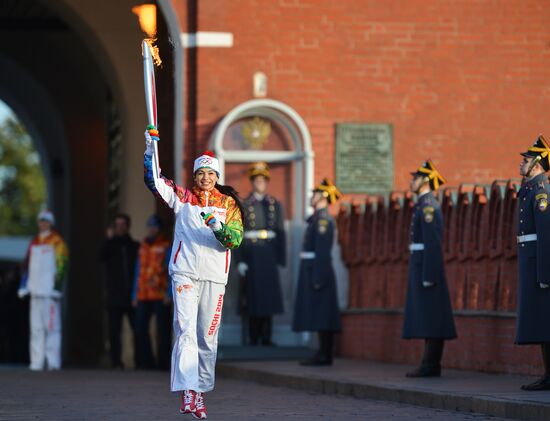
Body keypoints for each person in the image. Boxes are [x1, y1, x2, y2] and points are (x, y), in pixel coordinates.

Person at [143, 126, 243, 419]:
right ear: (195, 175)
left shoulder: (229, 205)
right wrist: (150, 150)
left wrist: (217, 227)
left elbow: (235, 239)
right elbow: (154, 181)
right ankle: (188, 391)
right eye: (201, 173)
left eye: (211, 174)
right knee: (185, 331)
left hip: (214, 277)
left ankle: (200, 391)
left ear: (217, 177)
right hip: (185, 273)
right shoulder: (183, 197)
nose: (206, 178)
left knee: (207, 337)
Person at [402, 160, 457, 377]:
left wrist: (429, 273)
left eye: (415, 178)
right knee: (426, 316)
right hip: (421, 264)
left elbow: (432, 242)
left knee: (432, 316)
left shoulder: (428, 207)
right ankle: (428, 362)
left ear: (425, 181)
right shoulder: (422, 205)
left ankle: (431, 363)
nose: (411, 182)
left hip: (427, 267)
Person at [292, 178, 342, 366]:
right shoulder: (317, 218)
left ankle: (325, 354)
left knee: (323, 313)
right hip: (313, 269)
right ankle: (322, 352)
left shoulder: (323, 220)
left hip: (318, 270)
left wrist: (318, 277)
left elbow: (322, 250)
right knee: (319, 312)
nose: (312, 196)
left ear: (323, 196)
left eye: (315, 193)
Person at [515, 135, 550, 391]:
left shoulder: (541, 192)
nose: (521, 164)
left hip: (539, 264)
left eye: (526, 160)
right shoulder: (529, 189)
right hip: (531, 261)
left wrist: (544, 272)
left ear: (536, 164)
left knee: (544, 319)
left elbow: (546, 234)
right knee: (539, 319)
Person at [238, 162, 286, 346]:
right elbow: (239, 234)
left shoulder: (274, 204)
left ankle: (267, 337)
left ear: (266, 183)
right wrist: (240, 261)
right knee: (252, 298)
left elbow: (281, 232)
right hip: (251, 254)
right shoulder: (245, 204)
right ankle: (253, 337)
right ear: (252, 182)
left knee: (269, 298)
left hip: (269, 254)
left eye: (263, 180)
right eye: (257, 180)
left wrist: (281, 258)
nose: (260, 183)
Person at [17, 210, 68, 370]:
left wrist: (57, 287)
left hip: (49, 293)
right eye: (41, 221)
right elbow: (27, 265)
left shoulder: (57, 242)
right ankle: (36, 362)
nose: (43, 223)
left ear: (51, 223)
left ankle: (52, 362)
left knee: (52, 327)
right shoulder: (35, 242)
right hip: (35, 291)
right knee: (36, 329)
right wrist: (23, 285)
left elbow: (62, 266)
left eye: (46, 221)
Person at [132, 214, 172, 370]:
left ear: (159, 229)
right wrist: (134, 295)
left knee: (163, 331)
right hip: (143, 293)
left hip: (160, 294)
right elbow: (138, 271)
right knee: (140, 329)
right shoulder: (143, 246)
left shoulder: (166, 246)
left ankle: (163, 364)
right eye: (149, 226)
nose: (151, 229)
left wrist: (170, 294)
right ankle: (147, 362)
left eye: (154, 226)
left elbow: (171, 271)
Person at [100, 213, 140, 369]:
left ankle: (139, 361)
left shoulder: (134, 246)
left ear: (128, 226)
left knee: (137, 330)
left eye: (123, 224)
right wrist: (108, 239)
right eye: (117, 224)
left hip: (132, 295)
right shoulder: (109, 245)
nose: (120, 227)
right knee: (114, 331)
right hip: (114, 295)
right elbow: (100, 256)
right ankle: (116, 362)